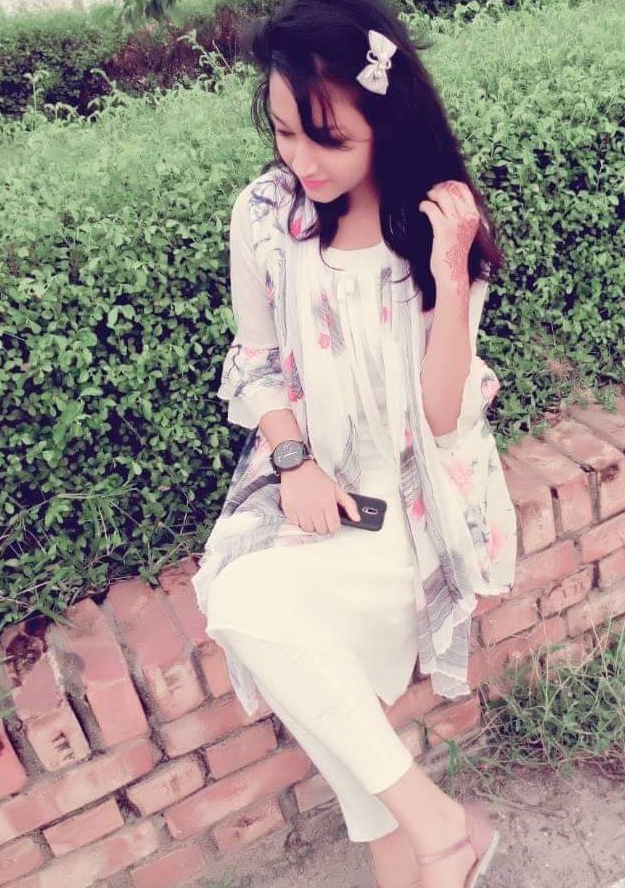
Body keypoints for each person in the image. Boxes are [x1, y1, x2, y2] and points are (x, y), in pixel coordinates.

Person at [191, 1, 517, 886]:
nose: (303, 161)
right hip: (315, 485)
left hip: (418, 502)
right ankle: (442, 829)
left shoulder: (440, 223)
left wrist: (451, 273)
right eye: (285, 132)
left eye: (329, 139)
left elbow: (442, 415)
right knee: (243, 601)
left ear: (387, 118)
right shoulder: (265, 214)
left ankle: (424, 850)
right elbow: (257, 358)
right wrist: (292, 462)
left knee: (339, 713)